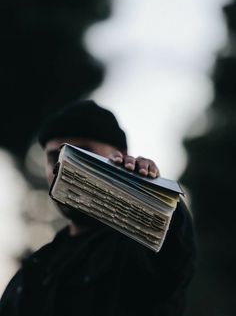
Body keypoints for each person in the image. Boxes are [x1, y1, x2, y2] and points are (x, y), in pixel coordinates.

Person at [0, 99, 196, 316]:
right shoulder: (34, 269)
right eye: (54, 157)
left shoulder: (141, 252)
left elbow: (175, 250)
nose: (62, 167)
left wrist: (154, 197)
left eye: (81, 155)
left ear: (121, 158)